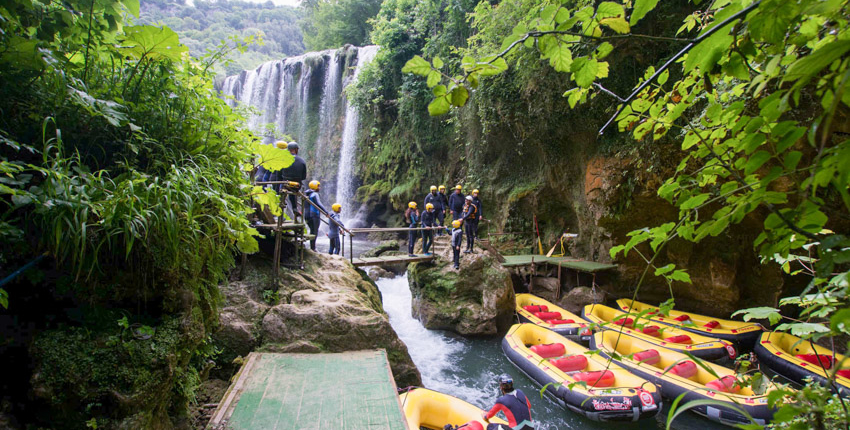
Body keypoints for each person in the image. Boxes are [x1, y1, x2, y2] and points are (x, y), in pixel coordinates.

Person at [281, 141, 307, 219]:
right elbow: (303, 177)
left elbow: (279, 174)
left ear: (288, 150)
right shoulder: (302, 161)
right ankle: (295, 208)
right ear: (296, 150)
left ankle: (280, 215)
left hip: (285, 184)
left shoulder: (284, 160)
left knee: (282, 192)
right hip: (296, 186)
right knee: (293, 191)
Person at [304, 180, 327, 251]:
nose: (319, 188)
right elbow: (318, 204)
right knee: (315, 231)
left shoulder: (306, 194)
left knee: (312, 231)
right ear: (314, 186)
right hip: (314, 215)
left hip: (307, 216)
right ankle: (313, 248)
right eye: (318, 186)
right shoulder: (314, 194)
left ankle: (312, 247)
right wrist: (326, 212)